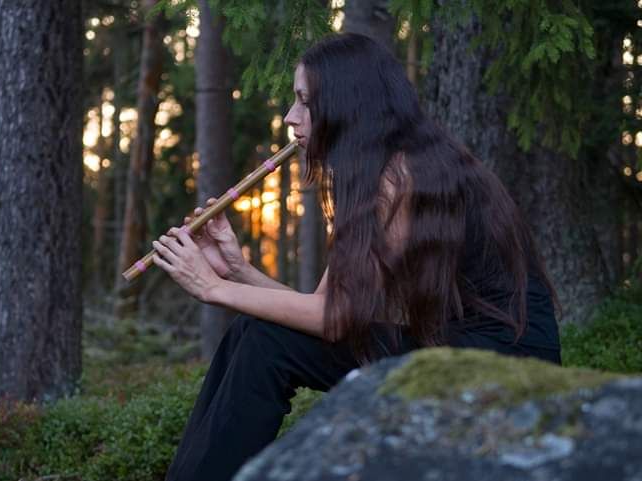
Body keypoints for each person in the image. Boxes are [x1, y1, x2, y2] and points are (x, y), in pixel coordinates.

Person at [153, 33, 561, 481]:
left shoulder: (398, 178)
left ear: (347, 105)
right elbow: (324, 311)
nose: (291, 118)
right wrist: (237, 269)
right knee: (255, 331)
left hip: (504, 367)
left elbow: (332, 319)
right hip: (456, 349)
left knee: (264, 341)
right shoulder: (384, 171)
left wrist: (213, 287)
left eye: (305, 103)